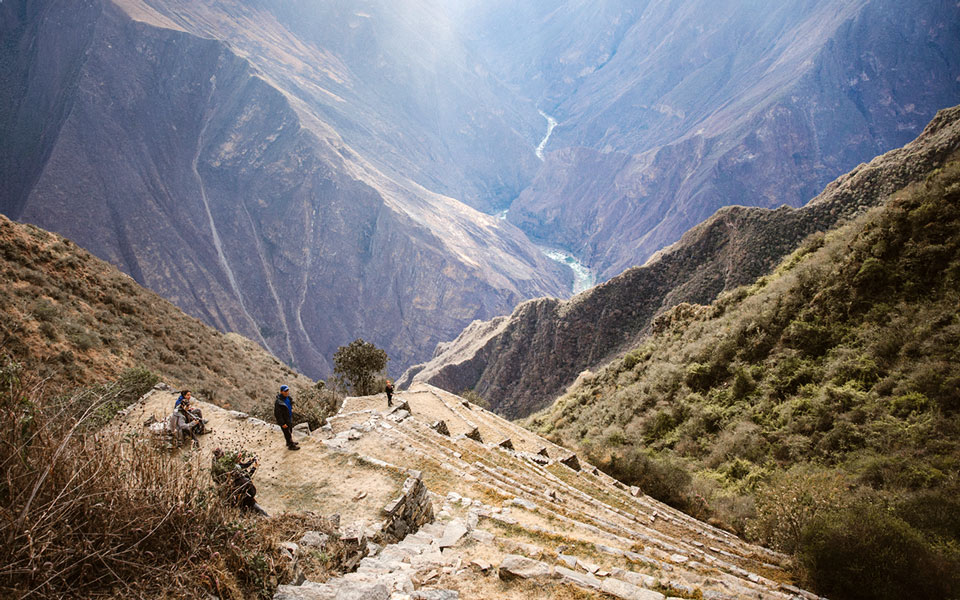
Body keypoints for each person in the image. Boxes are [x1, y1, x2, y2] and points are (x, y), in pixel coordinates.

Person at [211, 447, 268, 516]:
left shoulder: (218, 468)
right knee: (258, 511)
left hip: (232, 497)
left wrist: (251, 462)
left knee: (245, 512)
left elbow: (243, 467)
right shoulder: (232, 469)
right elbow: (247, 476)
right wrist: (254, 467)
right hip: (241, 495)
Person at [274, 385, 299, 450]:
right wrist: (282, 423)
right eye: (285, 391)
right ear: (281, 392)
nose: (287, 392)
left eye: (287, 390)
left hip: (289, 417)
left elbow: (290, 404)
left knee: (290, 430)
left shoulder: (288, 398)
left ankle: (289, 442)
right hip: (284, 420)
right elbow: (277, 414)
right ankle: (291, 446)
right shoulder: (278, 402)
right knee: (287, 433)